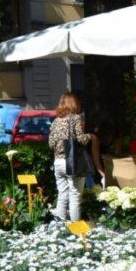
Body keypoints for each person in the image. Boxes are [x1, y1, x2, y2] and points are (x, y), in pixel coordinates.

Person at [48, 92, 93, 222]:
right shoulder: (75, 118)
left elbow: (51, 144)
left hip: (58, 163)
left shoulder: (56, 121)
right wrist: (90, 136)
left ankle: (60, 225)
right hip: (72, 162)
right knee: (75, 197)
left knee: (62, 194)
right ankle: (75, 228)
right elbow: (81, 139)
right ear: (74, 103)